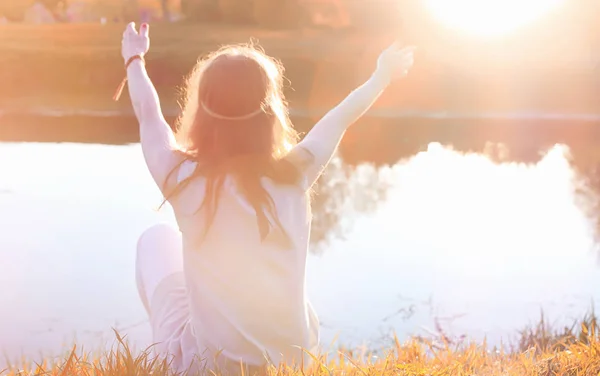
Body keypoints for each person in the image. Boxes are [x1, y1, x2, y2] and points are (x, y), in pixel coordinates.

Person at [120, 22, 415, 374]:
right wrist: (381, 76)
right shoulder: (295, 173)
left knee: (155, 239)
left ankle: (164, 360)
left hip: (206, 368)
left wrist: (134, 57)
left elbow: (148, 113)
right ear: (270, 110)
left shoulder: (182, 179)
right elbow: (340, 118)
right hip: (291, 364)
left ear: (202, 110)